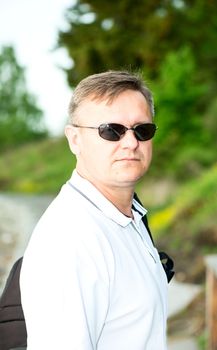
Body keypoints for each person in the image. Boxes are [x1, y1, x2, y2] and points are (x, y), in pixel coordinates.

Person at [20, 70, 169, 350]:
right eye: (111, 130)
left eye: (142, 130)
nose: (131, 142)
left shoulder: (128, 217)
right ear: (74, 139)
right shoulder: (69, 239)